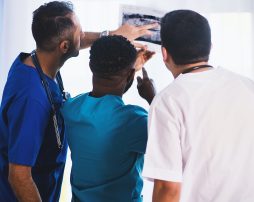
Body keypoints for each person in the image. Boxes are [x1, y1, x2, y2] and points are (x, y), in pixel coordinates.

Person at [0, 1, 157, 201]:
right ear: (64, 46)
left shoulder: (34, 65)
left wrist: (111, 37)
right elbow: (19, 176)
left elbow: (74, 44)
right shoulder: (32, 99)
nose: (84, 36)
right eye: (80, 33)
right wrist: (151, 94)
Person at [142, 10, 254, 202]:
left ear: (164, 53)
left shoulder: (167, 101)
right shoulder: (249, 87)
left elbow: (167, 188)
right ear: (210, 47)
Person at [61, 35, 156, 202]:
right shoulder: (134, 121)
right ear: (130, 75)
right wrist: (153, 99)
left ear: (91, 66)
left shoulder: (70, 108)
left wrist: (129, 71)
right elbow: (172, 143)